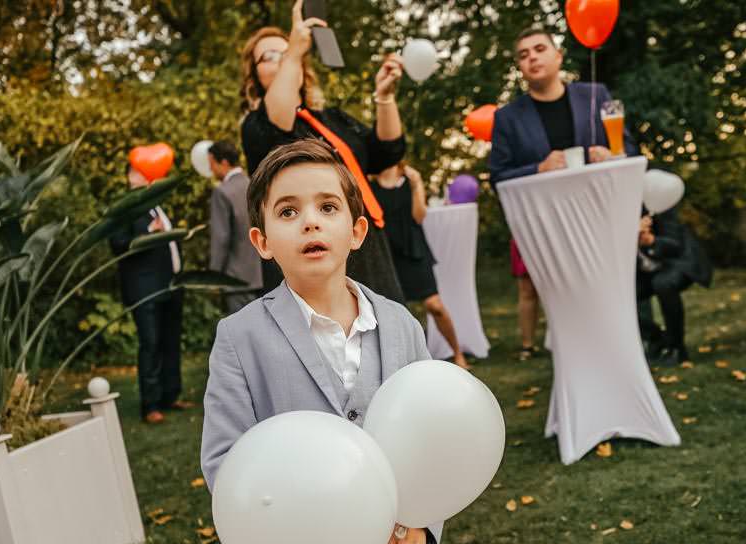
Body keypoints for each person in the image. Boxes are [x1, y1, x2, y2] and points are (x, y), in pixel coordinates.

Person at [199, 140, 454, 544]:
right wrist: (294, 538)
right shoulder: (241, 339)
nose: (310, 221)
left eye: (326, 206)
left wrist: (419, 523)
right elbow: (226, 461)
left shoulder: (398, 324)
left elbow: (432, 435)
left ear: (356, 227)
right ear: (261, 239)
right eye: (289, 211)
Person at [237, 0, 407, 303]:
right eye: (269, 56)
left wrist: (384, 98)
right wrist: (294, 50)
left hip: (363, 241)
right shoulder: (257, 125)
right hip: (310, 249)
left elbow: (386, 152)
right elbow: (278, 125)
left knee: (383, 331)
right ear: (254, 75)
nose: (282, 58)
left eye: (286, 51)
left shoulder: (333, 118)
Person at [489, 27, 637, 360]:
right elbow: (497, 175)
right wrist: (538, 168)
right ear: (520, 68)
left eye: (539, 49)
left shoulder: (595, 94)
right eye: (523, 55)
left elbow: (628, 147)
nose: (532, 58)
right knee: (564, 303)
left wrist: (612, 154)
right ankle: (576, 362)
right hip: (547, 228)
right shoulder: (508, 117)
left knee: (604, 297)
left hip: (599, 218)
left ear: (558, 56)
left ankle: (615, 355)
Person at [108, 163, 190, 424]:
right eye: (143, 171)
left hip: (170, 285)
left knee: (170, 342)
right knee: (151, 344)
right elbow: (118, 244)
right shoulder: (126, 208)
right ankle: (150, 404)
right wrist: (148, 232)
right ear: (131, 176)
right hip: (145, 289)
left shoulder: (157, 206)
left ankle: (170, 394)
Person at [371, 162, 471, 369]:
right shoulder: (369, 184)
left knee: (435, 306)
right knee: (392, 313)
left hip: (414, 251)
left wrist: (417, 185)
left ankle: (458, 354)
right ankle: (401, 364)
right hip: (388, 255)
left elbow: (419, 216)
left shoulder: (410, 181)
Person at [636, 204, 713, 365]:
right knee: (619, 297)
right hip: (645, 271)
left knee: (663, 284)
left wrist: (651, 240)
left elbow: (675, 244)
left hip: (676, 263)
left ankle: (677, 348)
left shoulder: (656, 205)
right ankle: (656, 337)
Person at [206, 140, 262, 313]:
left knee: (240, 335)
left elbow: (221, 238)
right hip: (259, 274)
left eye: (212, 164)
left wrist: (214, 276)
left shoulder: (222, 192)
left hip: (235, 277)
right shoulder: (255, 185)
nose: (211, 170)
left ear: (223, 162)